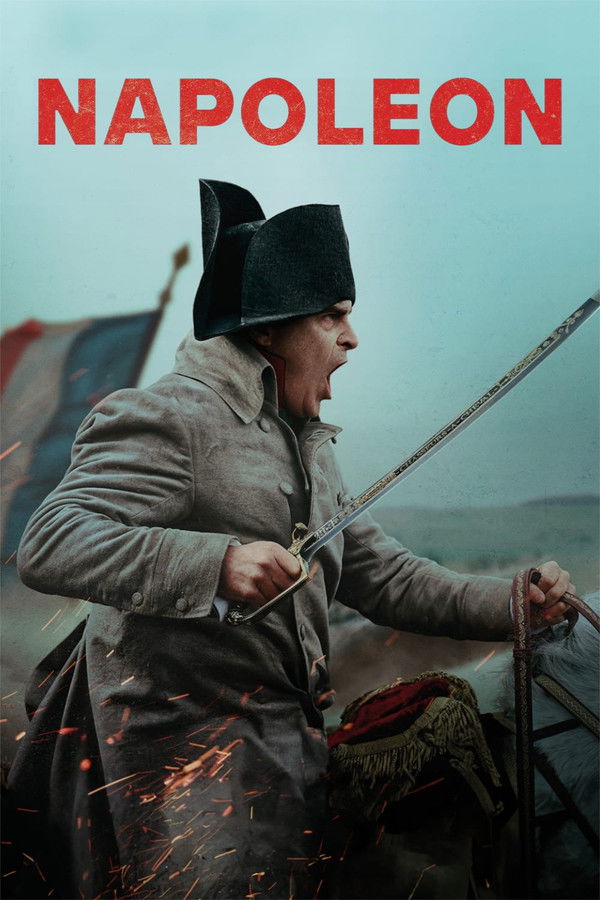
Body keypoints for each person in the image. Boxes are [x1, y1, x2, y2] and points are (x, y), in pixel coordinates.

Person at [9, 180, 572, 900]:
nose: (351, 338)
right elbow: (52, 540)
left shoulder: (305, 442)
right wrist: (218, 564)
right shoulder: (170, 416)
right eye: (333, 316)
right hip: (180, 772)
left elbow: (384, 576)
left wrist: (514, 602)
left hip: (288, 754)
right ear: (268, 331)